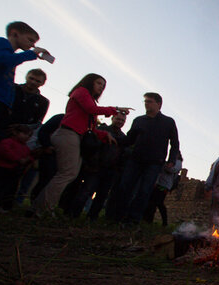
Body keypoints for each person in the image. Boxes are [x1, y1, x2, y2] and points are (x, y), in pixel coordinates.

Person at [32, 74, 127, 216]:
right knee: (66, 173)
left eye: (103, 85)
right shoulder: (81, 91)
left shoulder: (90, 101)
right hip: (68, 134)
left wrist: (103, 135)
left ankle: (42, 205)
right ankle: (42, 207)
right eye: (99, 83)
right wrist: (115, 109)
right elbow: (90, 109)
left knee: (70, 174)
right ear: (90, 82)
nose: (101, 87)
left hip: (76, 136)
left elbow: (90, 127)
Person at [0, 22, 52, 172]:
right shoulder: (0, 43)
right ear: (14, 33)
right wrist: (32, 54)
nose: (32, 45)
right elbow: (3, 59)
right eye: (30, 40)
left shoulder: (11, 57)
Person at [108, 92, 179, 225]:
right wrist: (114, 139)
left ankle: (133, 220)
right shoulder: (139, 121)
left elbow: (175, 143)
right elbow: (129, 139)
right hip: (135, 160)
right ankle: (118, 217)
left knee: (144, 191)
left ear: (159, 104)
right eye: (145, 101)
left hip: (154, 163)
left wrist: (171, 160)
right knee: (125, 187)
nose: (146, 104)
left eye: (150, 101)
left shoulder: (168, 122)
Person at [67, 112, 128, 219]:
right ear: (112, 118)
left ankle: (92, 218)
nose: (120, 122)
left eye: (122, 120)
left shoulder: (123, 137)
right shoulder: (101, 130)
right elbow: (91, 147)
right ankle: (73, 215)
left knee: (101, 196)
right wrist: (91, 163)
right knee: (85, 192)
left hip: (110, 170)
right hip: (95, 167)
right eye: (118, 119)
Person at [0, 124, 34, 213]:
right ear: (15, 132)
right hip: (2, 169)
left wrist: (28, 159)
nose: (27, 137)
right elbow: (4, 151)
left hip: (14, 170)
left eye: (29, 135)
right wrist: (18, 159)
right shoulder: (7, 142)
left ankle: (4, 205)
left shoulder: (25, 147)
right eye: (25, 134)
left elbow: (29, 155)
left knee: (9, 189)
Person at [143, 152, 183, 227]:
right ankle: (148, 219)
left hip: (165, 185)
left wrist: (165, 165)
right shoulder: (169, 161)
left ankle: (164, 222)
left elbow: (172, 170)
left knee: (159, 202)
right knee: (153, 202)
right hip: (159, 183)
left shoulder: (178, 162)